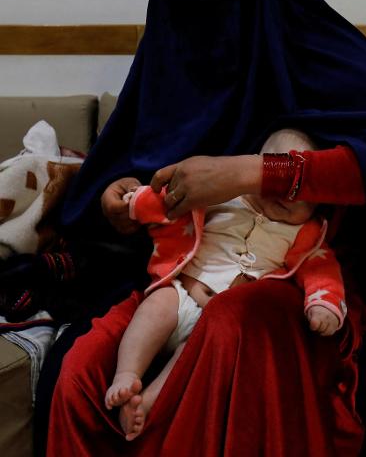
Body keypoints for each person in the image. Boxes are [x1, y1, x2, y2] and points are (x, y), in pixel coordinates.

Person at [44, 0, 366, 457]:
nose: (203, 20)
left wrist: (252, 173)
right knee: (76, 373)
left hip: (286, 282)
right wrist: (116, 210)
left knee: (237, 322)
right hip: (173, 280)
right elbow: (115, 188)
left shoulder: (324, 53)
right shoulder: (171, 54)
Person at [104, 129, 349, 441]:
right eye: (277, 178)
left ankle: (145, 404)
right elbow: (170, 204)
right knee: (156, 305)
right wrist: (137, 202)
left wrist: (322, 305)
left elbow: (322, 271)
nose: (285, 194)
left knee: (191, 354)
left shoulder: (306, 234)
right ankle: (126, 374)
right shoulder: (224, 197)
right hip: (181, 294)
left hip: (213, 325)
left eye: (298, 188)